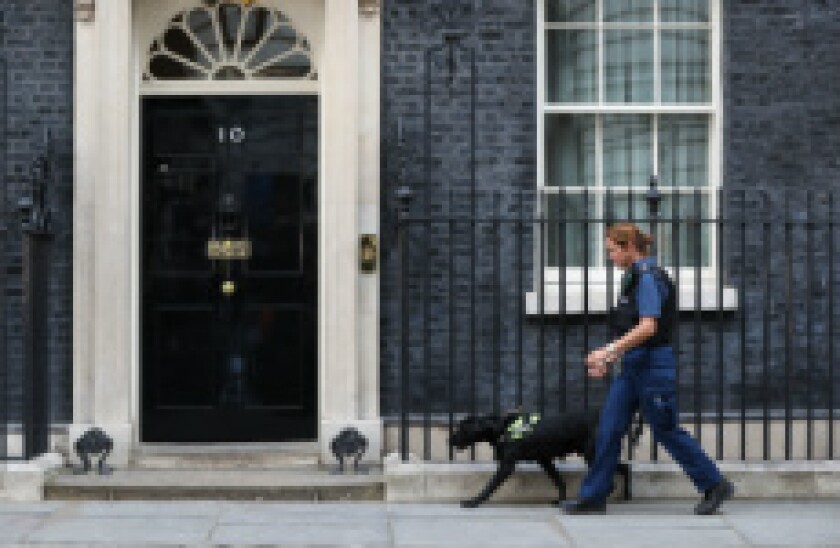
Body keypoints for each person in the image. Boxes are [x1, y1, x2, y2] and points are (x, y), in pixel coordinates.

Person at [562, 223, 734, 515]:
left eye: (613, 251)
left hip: (654, 366)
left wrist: (609, 350)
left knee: (666, 430)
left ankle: (714, 484)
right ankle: (593, 496)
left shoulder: (648, 279)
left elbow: (648, 326)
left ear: (629, 246)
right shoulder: (633, 278)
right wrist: (611, 357)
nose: (611, 257)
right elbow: (632, 328)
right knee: (609, 428)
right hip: (633, 365)